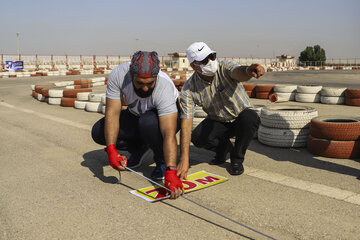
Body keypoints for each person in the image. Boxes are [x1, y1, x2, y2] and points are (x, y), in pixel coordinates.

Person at [91, 51, 183, 198]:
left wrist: (171, 170)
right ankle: (140, 148)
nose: (145, 88)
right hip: (136, 114)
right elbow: (112, 113)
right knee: (98, 131)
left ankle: (160, 160)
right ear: (131, 75)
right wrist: (111, 149)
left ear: (156, 77)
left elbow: (168, 133)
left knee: (148, 123)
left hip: (158, 119)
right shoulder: (119, 75)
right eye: (139, 83)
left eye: (149, 83)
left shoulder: (164, 87)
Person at [177, 42, 265, 180]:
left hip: (240, 118)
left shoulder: (224, 67)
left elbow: (239, 72)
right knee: (198, 137)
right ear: (194, 66)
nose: (211, 61)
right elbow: (186, 122)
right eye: (205, 60)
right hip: (219, 121)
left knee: (250, 118)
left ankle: (237, 159)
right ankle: (223, 150)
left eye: (212, 56)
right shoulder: (189, 88)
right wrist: (184, 159)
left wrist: (249, 70)